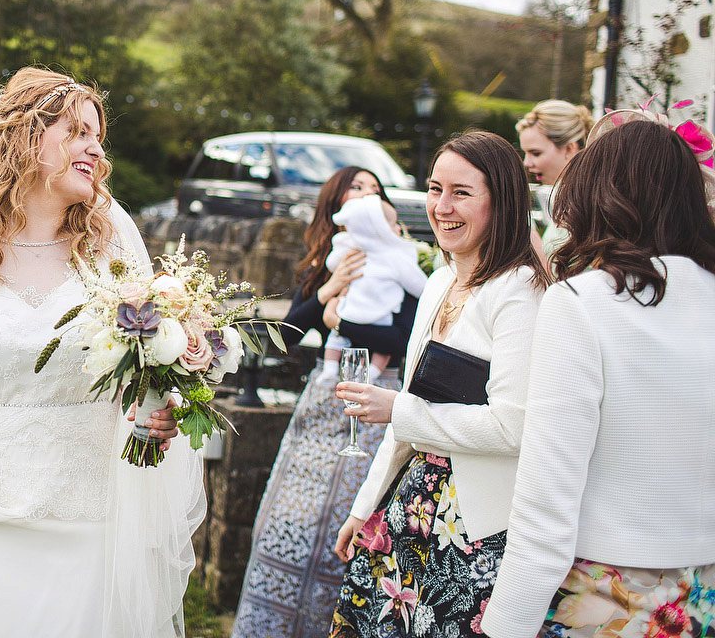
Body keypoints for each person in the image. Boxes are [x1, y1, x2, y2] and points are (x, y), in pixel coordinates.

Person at [0, 67, 204, 637]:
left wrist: (156, 412)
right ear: (25, 138)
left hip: (90, 503)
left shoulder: (111, 238)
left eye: (98, 136)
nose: (95, 149)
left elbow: (148, 362)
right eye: (78, 132)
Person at [481, 117, 715, 638]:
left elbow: (548, 489)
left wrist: (507, 623)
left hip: (608, 595)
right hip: (705, 597)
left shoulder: (583, 303)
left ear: (597, 195)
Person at [328, 130, 549, 638]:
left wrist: (399, 410)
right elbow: (405, 418)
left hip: (475, 528)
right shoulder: (439, 281)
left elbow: (515, 427)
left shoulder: (520, 291)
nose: (441, 207)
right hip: (409, 510)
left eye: (462, 193)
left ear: (503, 200)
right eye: (434, 189)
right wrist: (365, 509)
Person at [231, 167, 419, 638]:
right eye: (357, 189)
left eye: (376, 192)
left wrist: (346, 321)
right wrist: (327, 294)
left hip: (372, 406)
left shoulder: (398, 255)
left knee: (346, 527)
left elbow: (403, 336)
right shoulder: (327, 259)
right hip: (318, 406)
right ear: (337, 201)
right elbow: (288, 334)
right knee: (286, 521)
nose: (367, 198)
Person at [321, 194, 426, 376]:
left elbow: (331, 263)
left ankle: (330, 368)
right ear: (380, 229)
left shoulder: (351, 247)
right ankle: (372, 372)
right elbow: (422, 288)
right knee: (381, 350)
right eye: (394, 225)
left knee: (336, 339)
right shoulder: (396, 257)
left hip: (348, 311)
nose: (399, 229)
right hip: (381, 317)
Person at [516, 99, 593, 259]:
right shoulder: (566, 195)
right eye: (525, 153)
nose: (527, 163)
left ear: (569, 148)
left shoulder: (585, 202)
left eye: (536, 153)